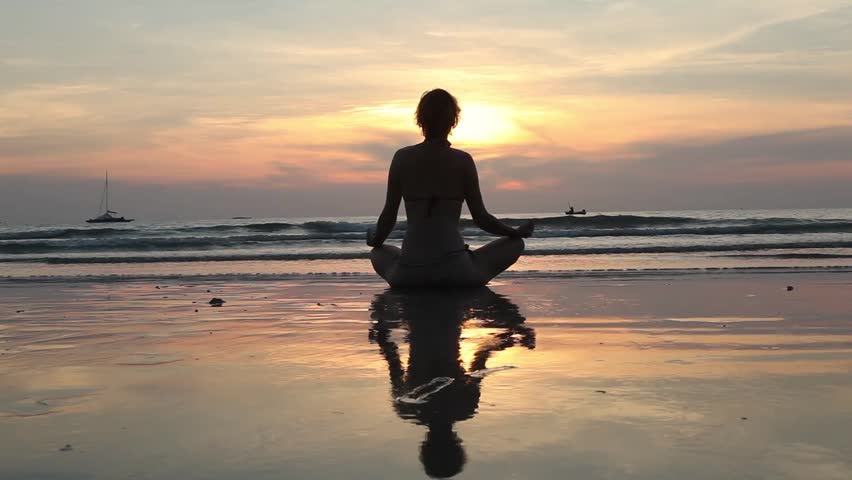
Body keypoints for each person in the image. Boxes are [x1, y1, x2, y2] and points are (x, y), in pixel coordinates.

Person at [367, 89, 534, 288]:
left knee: (378, 251)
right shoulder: (462, 161)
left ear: (420, 120)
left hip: (408, 274)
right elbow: (481, 218)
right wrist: (515, 232)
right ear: (453, 121)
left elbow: (388, 216)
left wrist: (374, 239)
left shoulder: (402, 157)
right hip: (457, 272)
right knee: (516, 244)